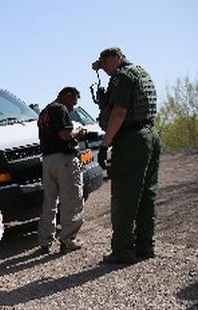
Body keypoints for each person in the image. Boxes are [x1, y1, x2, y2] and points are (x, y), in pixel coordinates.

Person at [92, 47, 161, 264]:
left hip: (131, 140)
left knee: (125, 195)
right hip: (150, 135)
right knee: (146, 194)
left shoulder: (123, 76)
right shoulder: (141, 72)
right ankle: (145, 245)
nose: (104, 70)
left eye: (104, 64)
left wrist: (105, 144)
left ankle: (123, 250)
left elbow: (119, 113)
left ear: (116, 57)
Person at [37, 87, 87, 254]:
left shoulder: (44, 112)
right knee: (71, 199)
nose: (72, 108)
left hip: (47, 160)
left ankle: (45, 241)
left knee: (49, 202)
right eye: (73, 103)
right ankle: (68, 240)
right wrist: (78, 132)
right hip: (63, 159)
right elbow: (64, 135)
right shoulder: (59, 108)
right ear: (67, 96)